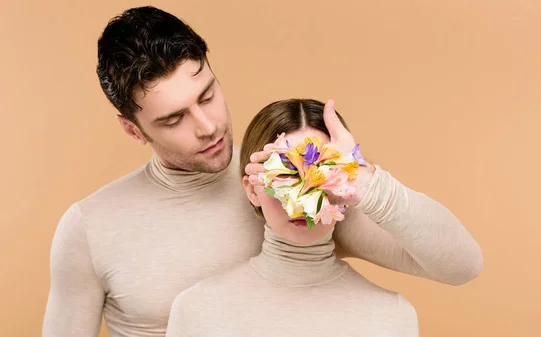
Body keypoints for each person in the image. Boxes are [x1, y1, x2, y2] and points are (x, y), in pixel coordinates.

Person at [42, 5, 482, 337]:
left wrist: (362, 178)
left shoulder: (296, 184)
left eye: (208, 94)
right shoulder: (90, 227)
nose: (208, 126)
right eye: (174, 119)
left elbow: (459, 266)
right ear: (132, 129)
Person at [164, 98, 420, 336]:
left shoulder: (392, 317)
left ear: (346, 183)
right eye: (285, 177)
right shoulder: (198, 310)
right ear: (252, 190)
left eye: (320, 173)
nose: (301, 202)